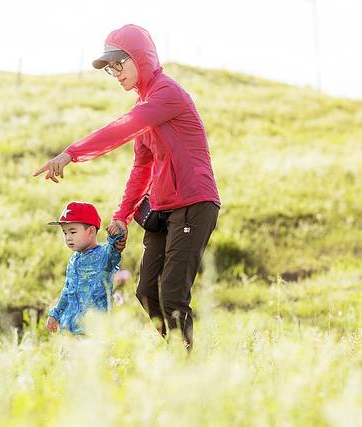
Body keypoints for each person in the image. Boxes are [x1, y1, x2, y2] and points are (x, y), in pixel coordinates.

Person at [34, 24, 220, 349]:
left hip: (193, 204)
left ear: (141, 57)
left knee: (173, 293)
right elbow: (141, 169)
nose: (115, 73)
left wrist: (72, 153)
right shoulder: (144, 107)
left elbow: (121, 129)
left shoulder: (167, 94)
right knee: (147, 291)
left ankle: (186, 363)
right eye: (110, 68)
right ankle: (178, 353)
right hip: (161, 210)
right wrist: (122, 216)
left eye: (119, 63)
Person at [45, 201, 124, 334]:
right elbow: (67, 291)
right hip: (70, 328)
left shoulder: (104, 255)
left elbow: (115, 249)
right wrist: (55, 314)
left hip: (95, 329)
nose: (68, 237)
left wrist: (115, 235)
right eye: (65, 233)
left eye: (73, 232)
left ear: (91, 231)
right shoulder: (73, 261)